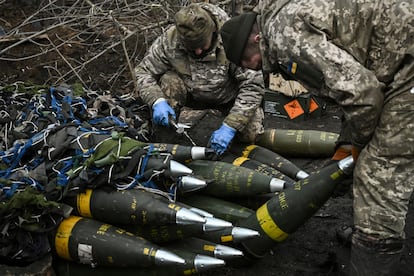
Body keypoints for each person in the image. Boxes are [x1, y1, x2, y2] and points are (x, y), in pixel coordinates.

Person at [219, 0, 414, 274]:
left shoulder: (283, 38)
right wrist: (346, 143)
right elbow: (352, 86)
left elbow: (363, 95)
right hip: (397, 56)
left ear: (255, 38)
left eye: (245, 60)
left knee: (378, 175)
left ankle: (374, 251)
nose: (251, 68)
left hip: (406, 67)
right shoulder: (282, 17)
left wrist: (359, 145)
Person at [135, 3, 265, 156]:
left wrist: (231, 126)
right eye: (192, 47)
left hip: (230, 101)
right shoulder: (170, 41)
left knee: (251, 132)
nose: (198, 51)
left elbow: (253, 86)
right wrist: (157, 101)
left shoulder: (231, 38)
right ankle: (168, 138)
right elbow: (143, 71)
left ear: (213, 32)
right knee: (169, 81)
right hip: (192, 99)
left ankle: (220, 129)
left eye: (202, 45)